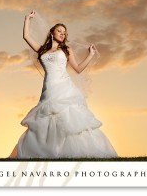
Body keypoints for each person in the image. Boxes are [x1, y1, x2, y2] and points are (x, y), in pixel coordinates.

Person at [9, 10, 117, 159]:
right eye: (59, 31)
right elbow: (26, 36)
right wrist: (27, 19)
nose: (62, 34)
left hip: (65, 88)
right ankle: (49, 151)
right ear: (52, 32)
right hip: (49, 88)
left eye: (64, 33)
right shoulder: (42, 50)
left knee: (68, 117)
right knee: (47, 119)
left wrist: (90, 55)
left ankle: (76, 150)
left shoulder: (66, 50)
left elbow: (78, 69)